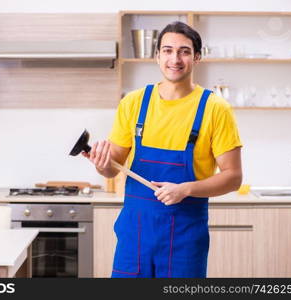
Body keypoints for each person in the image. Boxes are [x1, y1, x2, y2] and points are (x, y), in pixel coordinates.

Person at [82, 21, 243, 278]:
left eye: (184, 51)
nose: (175, 59)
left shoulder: (215, 109)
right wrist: (102, 163)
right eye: (167, 50)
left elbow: (233, 177)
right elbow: (113, 168)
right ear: (157, 56)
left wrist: (186, 189)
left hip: (185, 239)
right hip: (134, 237)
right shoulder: (133, 103)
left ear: (197, 57)